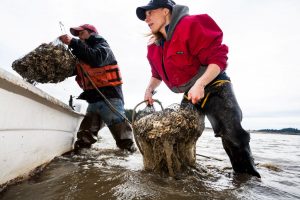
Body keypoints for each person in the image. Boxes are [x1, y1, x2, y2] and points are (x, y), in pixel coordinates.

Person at [136, 0, 260, 177]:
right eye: (144, 16)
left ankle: (247, 179)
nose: (146, 19)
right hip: (190, 92)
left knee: (232, 133)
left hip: (214, 84)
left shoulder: (191, 24)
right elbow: (156, 74)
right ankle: (181, 177)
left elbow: (218, 59)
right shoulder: (154, 47)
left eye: (150, 13)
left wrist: (200, 83)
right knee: (179, 133)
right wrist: (149, 89)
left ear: (165, 11)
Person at [59, 24, 136, 153]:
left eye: (81, 33)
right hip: (93, 103)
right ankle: (81, 165)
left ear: (92, 33)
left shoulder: (102, 46)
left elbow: (96, 58)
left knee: (125, 144)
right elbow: (66, 70)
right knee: (83, 142)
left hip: (110, 100)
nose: (79, 37)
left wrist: (73, 42)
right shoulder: (82, 56)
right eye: (77, 35)